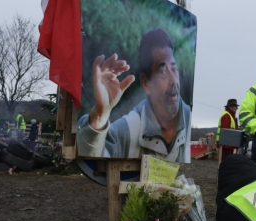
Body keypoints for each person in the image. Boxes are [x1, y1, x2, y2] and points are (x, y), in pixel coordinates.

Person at [77, 29, 191, 162]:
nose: (174, 81)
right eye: (163, 71)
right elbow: (91, 160)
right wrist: (100, 115)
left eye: (174, 69)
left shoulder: (188, 117)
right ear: (146, 84)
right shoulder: (127, 130)